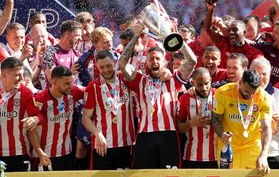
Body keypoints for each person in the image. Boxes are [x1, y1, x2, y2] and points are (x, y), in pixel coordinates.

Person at [119, 27, 197, 169]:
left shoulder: (174, 80)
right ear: (147, 63)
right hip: (145, 135)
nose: (154, 61)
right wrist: (136, 37)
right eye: (151, 59)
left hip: (168, 135)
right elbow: (123, 63)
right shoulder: (139, 80)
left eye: (157, 59)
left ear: (165, 62)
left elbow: (192, 61)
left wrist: (177, 40)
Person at [82, 50, 135, 170]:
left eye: (108, 66)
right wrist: (97, 134)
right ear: (96, 67)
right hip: (103, 145)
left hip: (126, 144)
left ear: (114, 62)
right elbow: (85, 118)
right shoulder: (93, 87)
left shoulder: (126, 81)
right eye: (102, 67)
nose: (105, 70)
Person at [212, 69, 272, 174]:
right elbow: (215, 118)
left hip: (252, 147)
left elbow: (266, 127)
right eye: (247, 91)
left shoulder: (263, 97)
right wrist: (222, 134)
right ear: (240, 82)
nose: (249, 95)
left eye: (253, 92)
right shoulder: (223, 92)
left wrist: (264, 154)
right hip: (229, 147)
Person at [0, 57, 50, 171]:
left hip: (19, 153)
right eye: (17, 75)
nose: (22, 79)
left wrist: (35, 119)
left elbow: (40, 117)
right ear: (4, 75)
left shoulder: (25, 92)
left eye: (22, 75)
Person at [34, 66, 84, 170]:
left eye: (71, 82)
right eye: (66, 83)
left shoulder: (74, 91)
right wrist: (39, 152)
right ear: (54, 82)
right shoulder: (40, 98)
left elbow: (93, 89)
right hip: (44, 156)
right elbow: (31, 129)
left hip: (66, 154)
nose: (70, 86)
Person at [250, 57, 279, 169]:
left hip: (274, 154)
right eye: (256, 73)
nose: (260, 77)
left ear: (270, 75)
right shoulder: (242, 95)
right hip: (248, 154)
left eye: (264, 74)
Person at [176, 67, 217, 168]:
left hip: (216, 156)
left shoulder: (219, 95)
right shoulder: (185, 99)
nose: (204, 88)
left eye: (207, 83)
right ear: (193, 83)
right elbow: (178, 129)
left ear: (211, 80)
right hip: (191, 156)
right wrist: (191, 123)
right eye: (199, 85)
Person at [43, 20, 82, 85]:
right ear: (66, 35)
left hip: (74, 94)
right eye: (77, 35)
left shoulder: (77, 54)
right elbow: (52, 80)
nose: (80, 39)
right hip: (57, 94)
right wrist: (69, 73)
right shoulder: (49, 53)